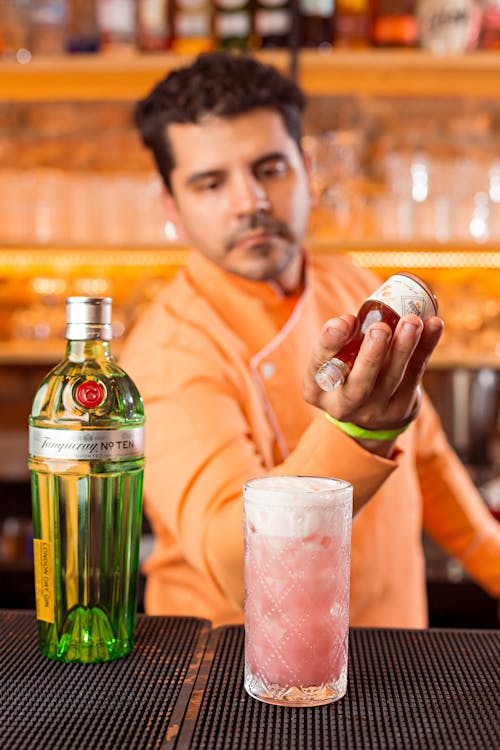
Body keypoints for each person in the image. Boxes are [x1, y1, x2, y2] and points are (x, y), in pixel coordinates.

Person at [120, 52, 500, 628]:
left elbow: (427, 457)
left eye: (270, 168)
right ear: (172, 207)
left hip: (395, 650)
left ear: (307, 169)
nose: (250, 202)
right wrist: (359, 434)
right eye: (210, 183)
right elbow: (237, 559)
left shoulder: (349, 282)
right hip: (244, 677)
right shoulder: (170, 352)